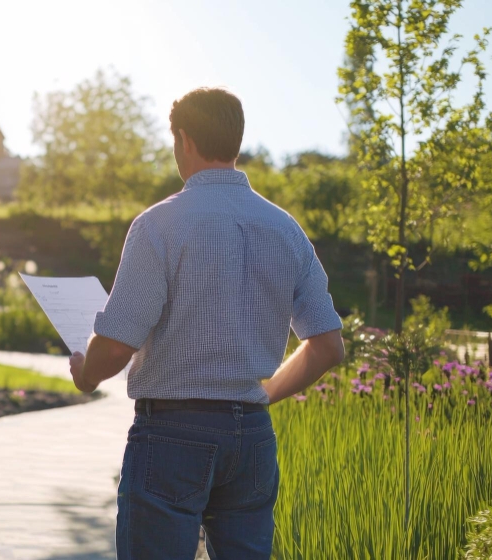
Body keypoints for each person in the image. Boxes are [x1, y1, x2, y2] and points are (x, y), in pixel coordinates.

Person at [67, 87, 346, 559]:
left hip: (172, 434)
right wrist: (261, 396)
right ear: (235, 140)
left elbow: (116, 346)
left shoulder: (159, 225)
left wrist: (86, 375)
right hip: (252, 439)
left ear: (184, 140)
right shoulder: (286, 228)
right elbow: (327, 346)